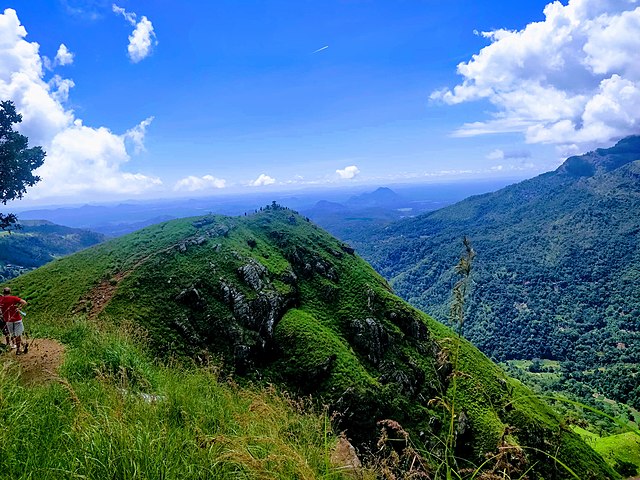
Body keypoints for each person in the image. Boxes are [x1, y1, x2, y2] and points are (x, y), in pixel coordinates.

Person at [0, 287, 28, 355]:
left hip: (8, 320)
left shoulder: (1, 300)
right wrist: (19, 307)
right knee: (18, 335)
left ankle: (22, 345)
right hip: (17, 319)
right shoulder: (13, 298)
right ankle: (18, 349)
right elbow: (24, 302)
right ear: (10, 292)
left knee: (13, 335)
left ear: (3, 292)